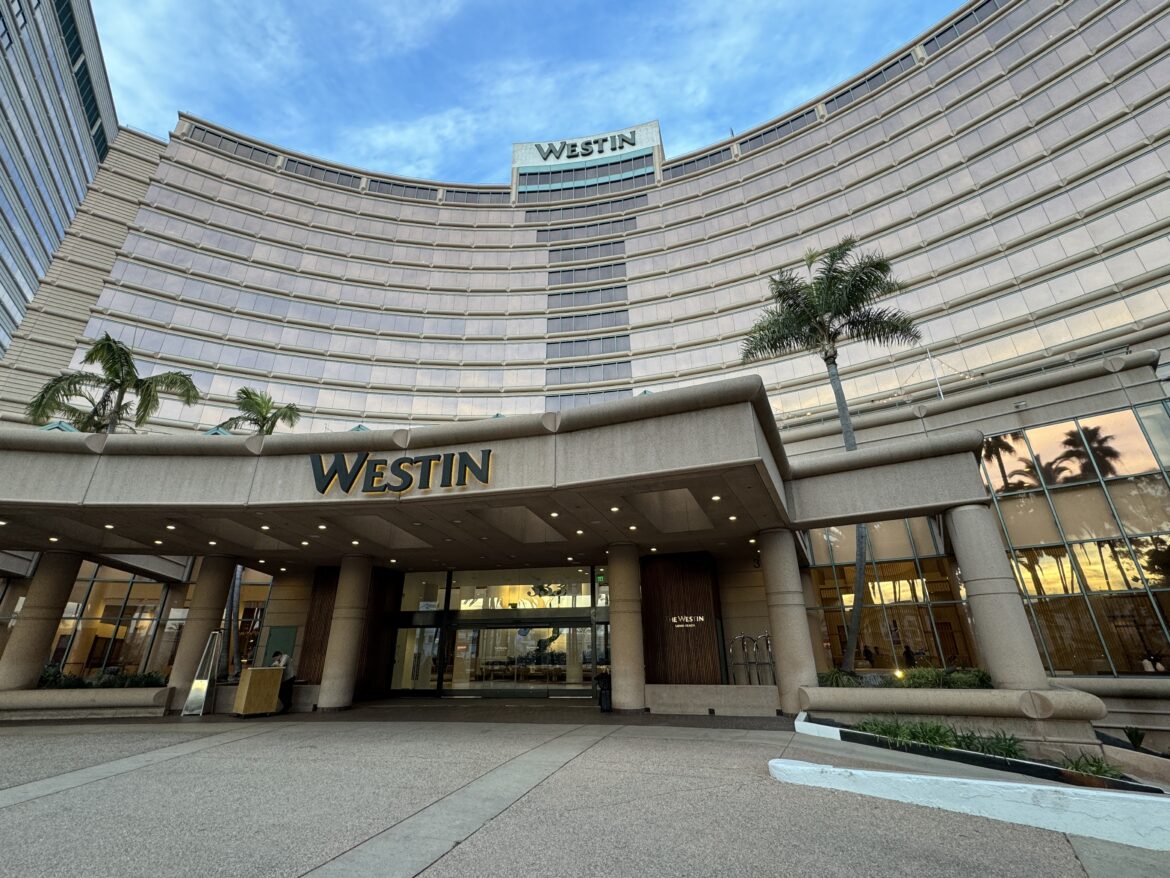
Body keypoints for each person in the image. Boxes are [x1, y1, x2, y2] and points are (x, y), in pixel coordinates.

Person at [271, 650, 295, 714]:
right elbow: (273, 665)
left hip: (290, 678)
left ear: (279, 655)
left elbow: (281, 665)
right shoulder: (278, 660)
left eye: (276, 658)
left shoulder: (285, 657)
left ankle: (287, 706)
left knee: (287, 692)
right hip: (284, 679)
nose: (275, 660)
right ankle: (287, 705)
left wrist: (276, 664)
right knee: (279, 692)